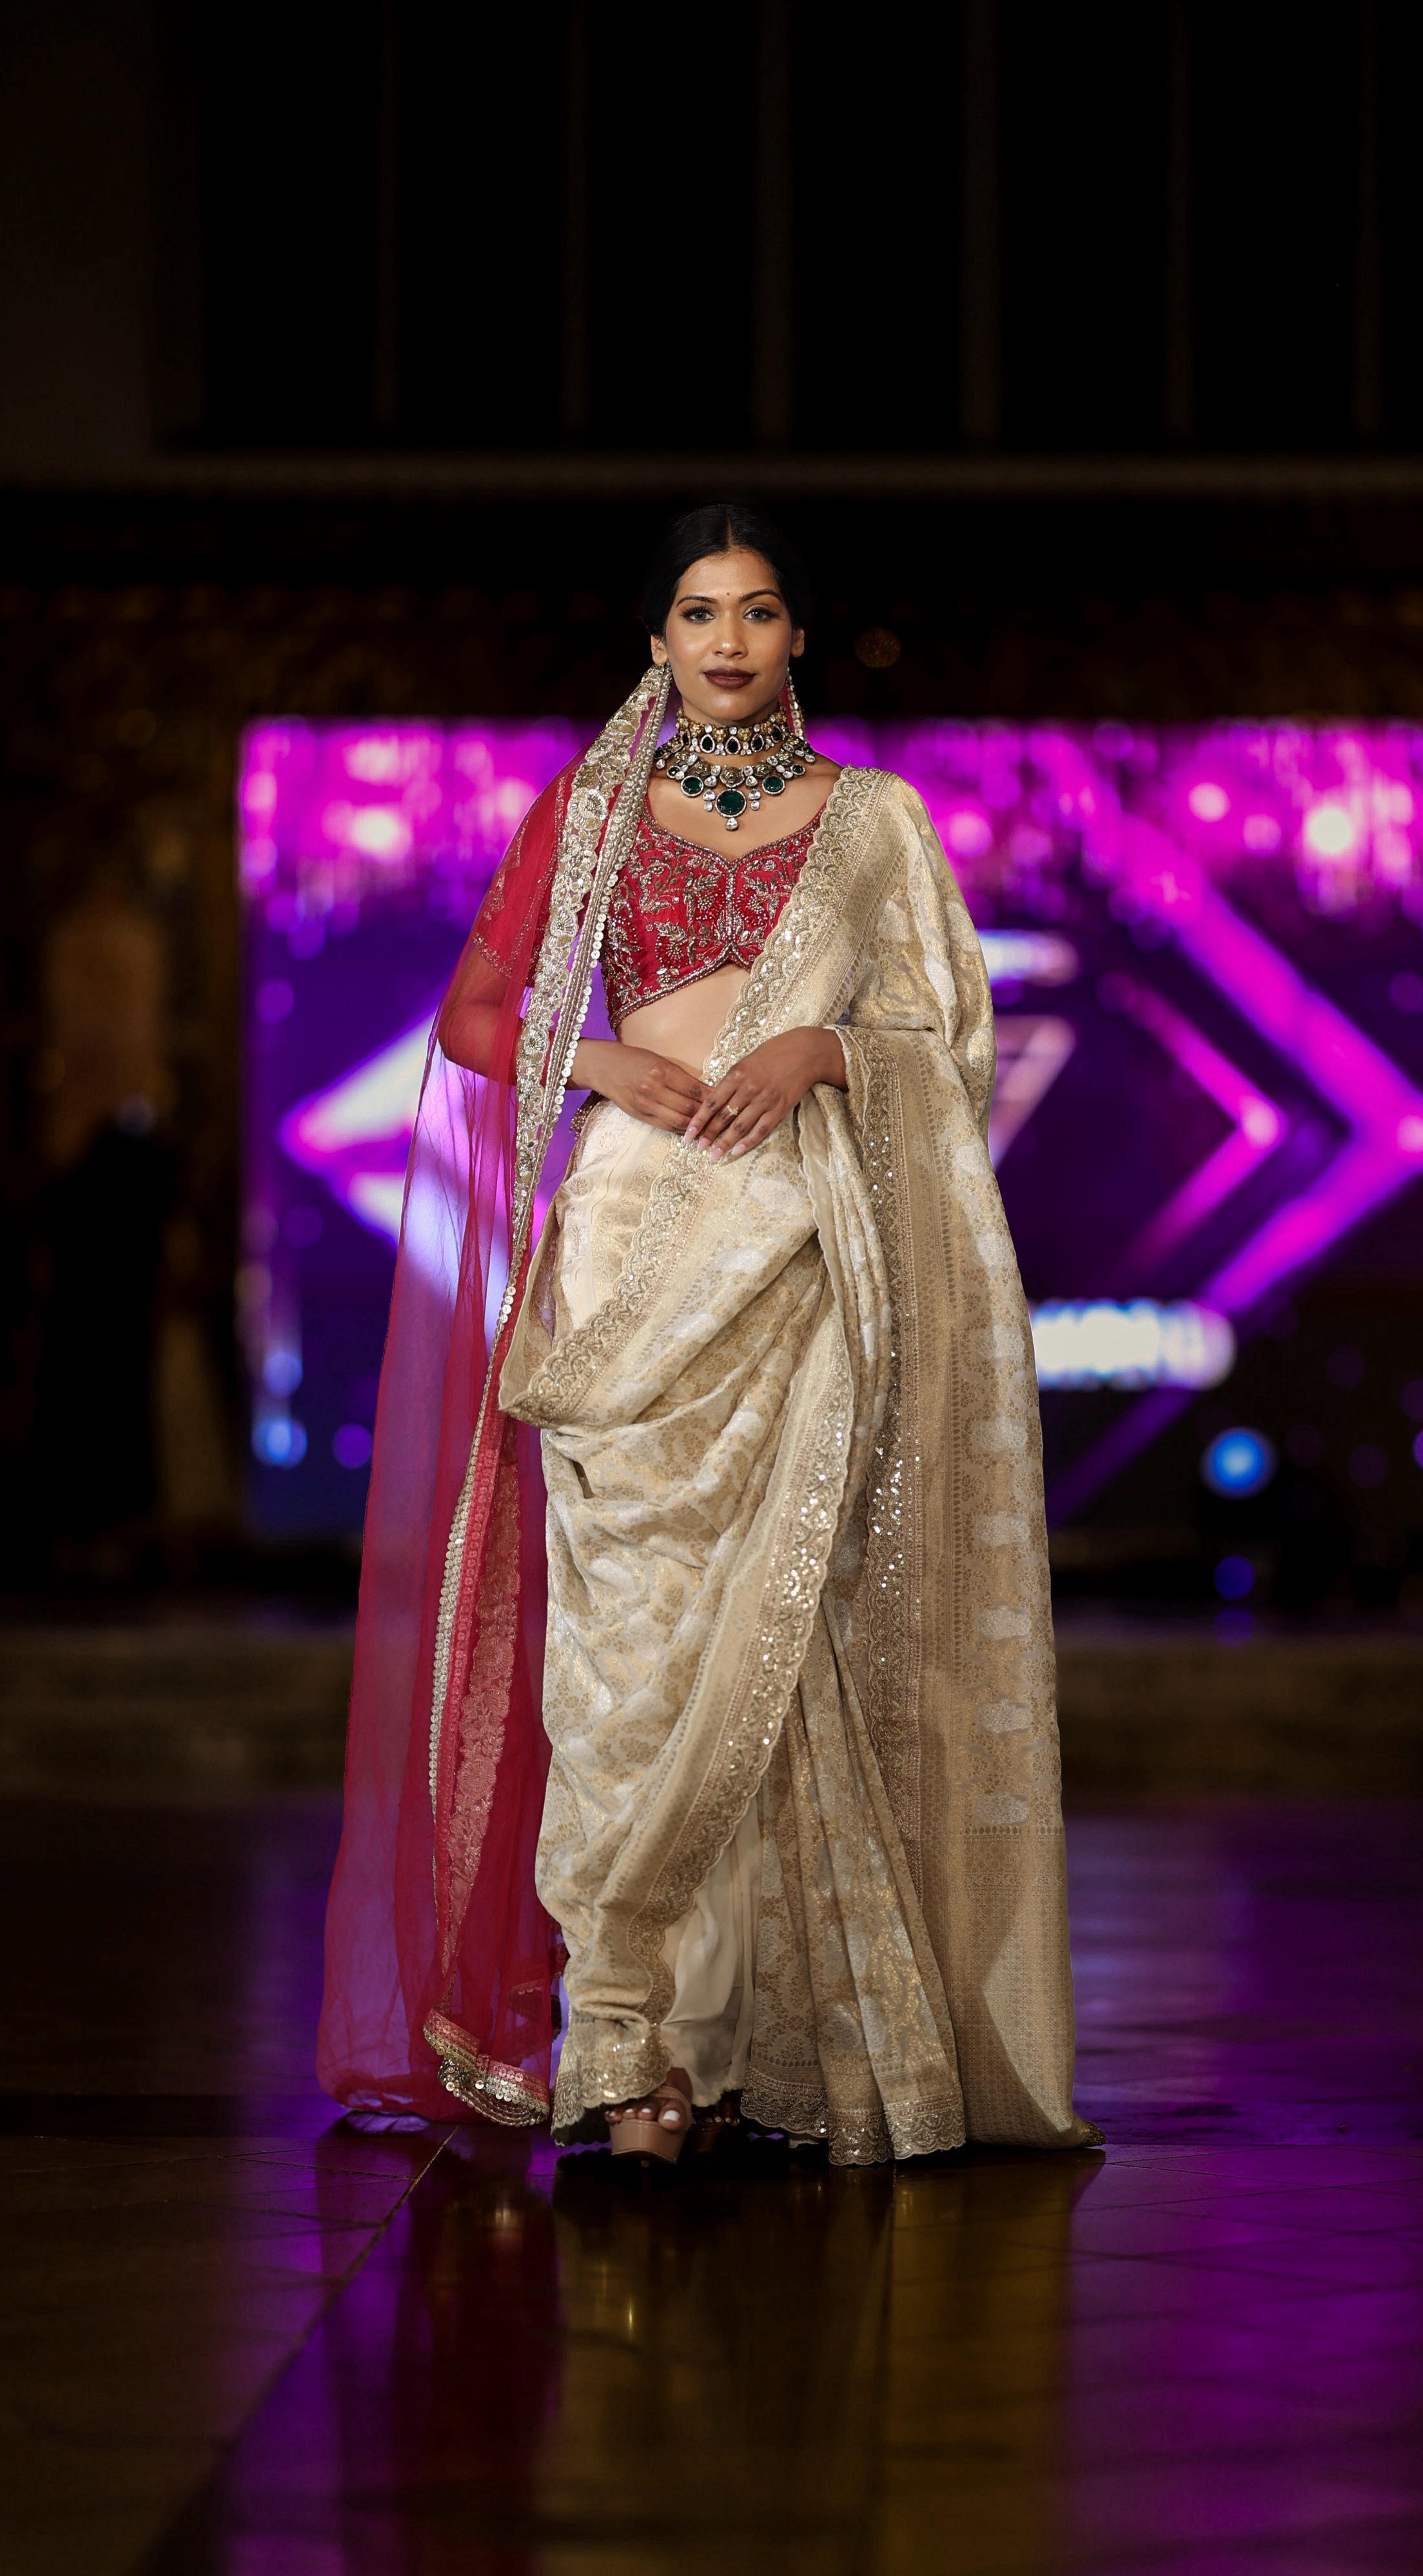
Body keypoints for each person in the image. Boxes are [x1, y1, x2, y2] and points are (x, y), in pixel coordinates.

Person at [318, 504, 1100, 2167]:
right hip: (628, 1252)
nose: (727, 641)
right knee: (630, 1656)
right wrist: (596, 1062)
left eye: (756, 611)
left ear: (799, 635)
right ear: (656, 640)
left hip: (804, 1238)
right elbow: (475, 1018)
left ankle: (764, 2051)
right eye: (697, 612)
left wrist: (827, 1050)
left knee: (788, 1630)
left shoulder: (876, 822)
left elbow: (951, 1035)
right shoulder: (590, 810)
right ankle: (630, 2050)